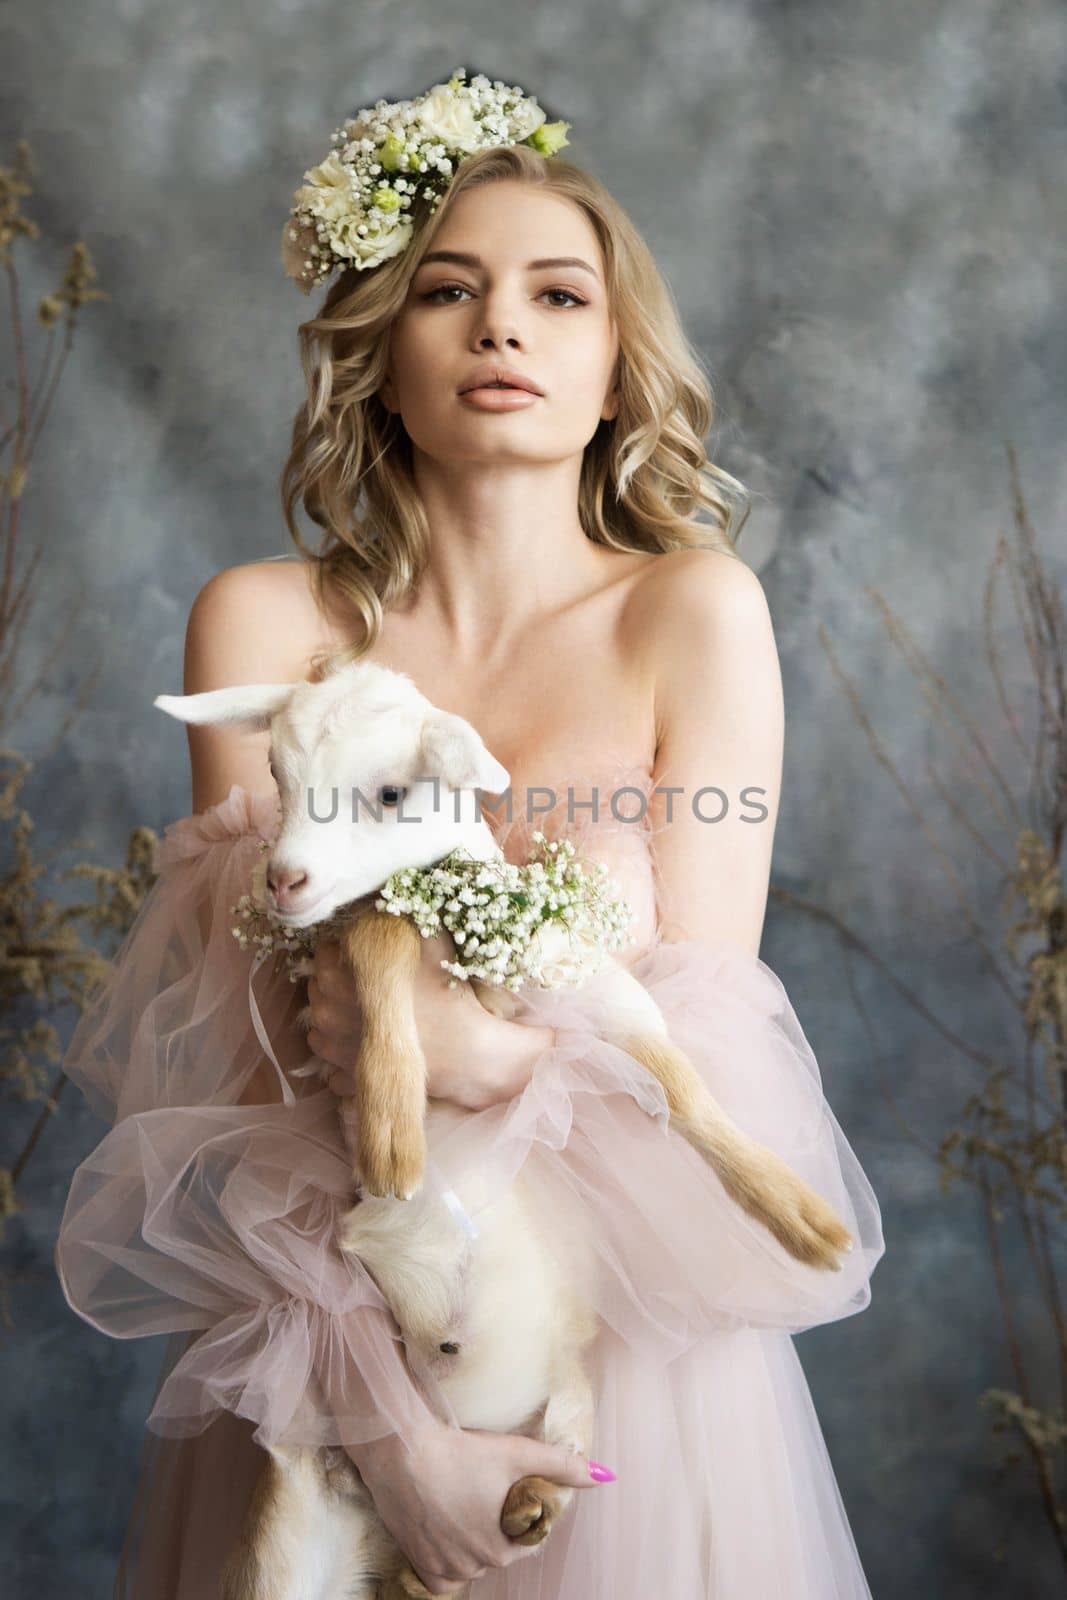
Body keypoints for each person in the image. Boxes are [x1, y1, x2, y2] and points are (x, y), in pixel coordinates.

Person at [55, 73, 885, 1598]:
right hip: (327, 1367)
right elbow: (239, 1107)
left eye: (557, 295)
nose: (504, 327)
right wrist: (396, 1445)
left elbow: (713, 1030)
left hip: (618, 1363)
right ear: (381, 356)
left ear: (620, 365)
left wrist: (499, 1058)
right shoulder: (265, 624)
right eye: (450, 291)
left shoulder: (690, 616)